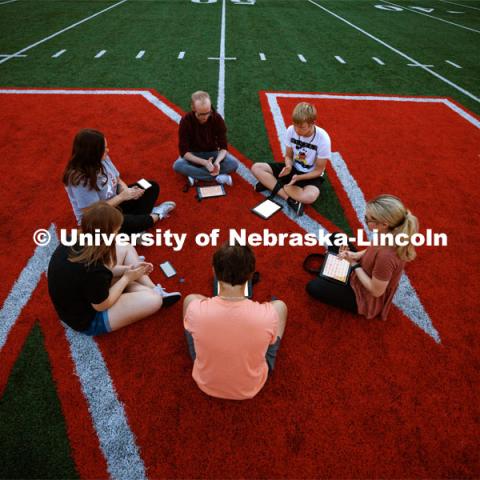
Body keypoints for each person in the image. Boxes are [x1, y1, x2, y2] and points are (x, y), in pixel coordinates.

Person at [47, 202, 181, 336]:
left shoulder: (74, 239)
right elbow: (102, 305)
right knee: (154, 300)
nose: (118, 233)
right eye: (117, 230)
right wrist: (126, 278)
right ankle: (152, 292)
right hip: (87, 318)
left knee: (124, 245)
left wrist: (128, 269)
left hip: (82, 292)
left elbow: (100, 272)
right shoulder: (93, 268)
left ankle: (151, 288)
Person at [183, 243, 287, 400]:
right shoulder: (268, 315)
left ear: (214, 272)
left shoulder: (195, 309)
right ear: (251, 275)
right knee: (280, 306)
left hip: (205, 380)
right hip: (252, 385)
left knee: (191, 299)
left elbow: (193, 305)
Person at [306, 195, 419, 320]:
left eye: (367, 219)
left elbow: (376, 292)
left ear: (384, 224)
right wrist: (355, 255)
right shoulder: (389, 232)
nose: (364, 220)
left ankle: (335, 275)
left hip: (364, 294)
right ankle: (336, 274)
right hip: (362, 270)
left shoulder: (386, 258)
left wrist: (353, 264)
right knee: (336, 238)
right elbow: (372, 249)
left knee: (314, 287)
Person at [63, 129, 176, 234]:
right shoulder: (79, 179)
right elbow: (92, 212)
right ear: (91, 153)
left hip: (115, 201)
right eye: (103, 149)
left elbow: (117, 179)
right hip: (98, 218)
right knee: (129, 221)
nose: (108, 150)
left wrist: (127, 191)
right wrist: (122, 197)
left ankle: (136, 225)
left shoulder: (103, 158)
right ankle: (157, 215)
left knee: (151, 185)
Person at [251, 102, 331, 216]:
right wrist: (288, 166)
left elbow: (319, 170)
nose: (297, 130)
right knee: (256, 167)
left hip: (310, 174)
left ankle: (274, 184)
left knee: (310, 197)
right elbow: (288, 156)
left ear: (313, 123)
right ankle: (289, 198)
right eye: (295, 125)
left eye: (302, 127)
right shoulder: (291, 130)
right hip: (293, 168)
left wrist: (299, 177)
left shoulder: (323, 139)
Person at [173, 91, 238, 187]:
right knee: (178, 165)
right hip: (193, 154)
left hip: (213, 153)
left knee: (233, 164)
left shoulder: (217, 118)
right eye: (201, 114)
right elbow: (184, 152)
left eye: (208, 113)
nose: (205, 117)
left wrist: (217, 162)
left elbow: (223, 147)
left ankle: (196, 176)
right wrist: (204, 163)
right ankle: (217, 177)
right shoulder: (186, 121)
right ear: (193, 108)